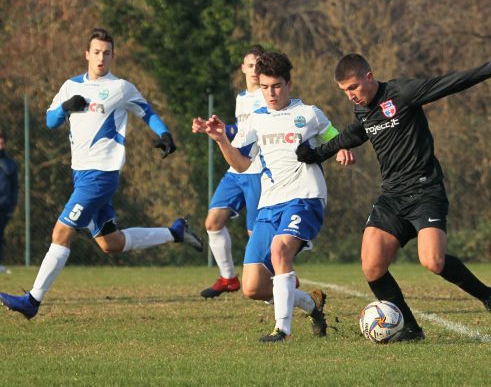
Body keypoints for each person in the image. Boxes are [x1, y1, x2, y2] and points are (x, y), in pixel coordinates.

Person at [297, 52, 491, 341]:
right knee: (371, 266)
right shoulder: (363, 111)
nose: (351, 96)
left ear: (369, 77)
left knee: (433, 261)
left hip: (425, 191)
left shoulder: (402, 93)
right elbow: (352, 135)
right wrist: (316, 154)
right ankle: (410, 328)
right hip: (392, 197)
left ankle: (488, 295)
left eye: (353, 88)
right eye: (345, 91)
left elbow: (451, 82)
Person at [0, 27, 203, 319]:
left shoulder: (121, 87)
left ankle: (32, 301)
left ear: (112, 56)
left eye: (106, 53)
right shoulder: (70, 86)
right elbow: (49, 121)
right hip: (80, 174)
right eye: (96, 52)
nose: (101, 58)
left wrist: (165, 134)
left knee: (61, 232)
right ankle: (174, 233)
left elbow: (147, 112)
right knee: (111, 243)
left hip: (102, 174)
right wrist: (67, 107)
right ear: (87, 54)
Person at [192, 51, 355, 342]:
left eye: (277, 86)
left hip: (305, 197)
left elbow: (336, 136)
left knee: (280, 251)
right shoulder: (256, 120)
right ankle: (311, 304)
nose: (271, 93)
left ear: (289, 84)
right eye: (265, 86)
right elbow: (241, 165)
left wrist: (340, 148)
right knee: (253, 288)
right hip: (269, 203)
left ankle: (282, 329)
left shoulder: (308, 114)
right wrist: (220, 140)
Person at [200, 45, 266, 299]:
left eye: (259, 65)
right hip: (235, 170)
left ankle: (277, 278)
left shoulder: (267, 96)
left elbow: (250, 136)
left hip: (257, 171)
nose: (254, 70)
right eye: (250, 65)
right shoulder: (242, 98)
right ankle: (228, 278)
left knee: (256, 233)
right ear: (243, 68)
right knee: (213, 222)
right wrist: (214, 128)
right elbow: (239, 133)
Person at [0, 131, 18, 274]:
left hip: (4, 206)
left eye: (2, 142)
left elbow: (14, 186)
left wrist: (13, 203)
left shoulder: (10, 164)